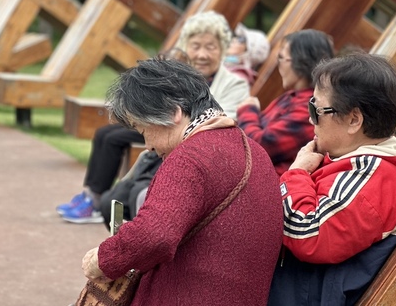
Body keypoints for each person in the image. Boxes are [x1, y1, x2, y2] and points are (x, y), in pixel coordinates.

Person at [80, 57, 283, 305]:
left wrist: (103, 259)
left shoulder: (190, 157)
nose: (149, 146)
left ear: (174, 112)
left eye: (144, 130)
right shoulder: (252, 149)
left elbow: (153, 234)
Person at [57, 11, 249, 224]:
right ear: (187, 46)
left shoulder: (234, 83)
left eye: (210, 47)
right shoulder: (178, 75)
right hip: (163, 131)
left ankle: (98, 200)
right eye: (196, 46)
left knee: (115, 145)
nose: (202, 54)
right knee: (105, 134)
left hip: (189, 145)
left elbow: (221, 123)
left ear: (222, 50)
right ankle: (93, 195)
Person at [267, 53, 396, 305]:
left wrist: (297, 173)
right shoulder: (359, 163)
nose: (311, 118)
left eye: (316, 109)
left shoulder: (375, 175)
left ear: (354, 119)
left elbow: (307, 233)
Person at [237, 29, 334, 176]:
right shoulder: (292, 96)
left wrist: (247, 109)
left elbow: (259, 147)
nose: (279, 65)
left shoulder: (311, 108)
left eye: (282, 58)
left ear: (300, 61)